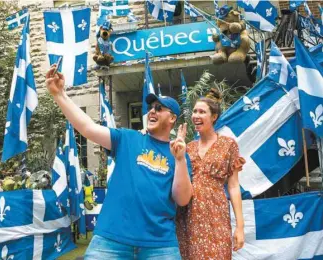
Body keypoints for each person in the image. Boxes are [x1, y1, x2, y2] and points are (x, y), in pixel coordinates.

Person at [45, 65, 193, 259]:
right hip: (111, 239)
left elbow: (182, 199)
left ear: (172, 118)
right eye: (150, 108)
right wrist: (60, 95)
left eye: (159, 108)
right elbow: (88, 128)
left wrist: (180, 159)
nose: (151, 112)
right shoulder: (127, 138)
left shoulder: (180, 155)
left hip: (160, 244)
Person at [176, 88, 245, 260]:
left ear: (214, 117)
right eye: (194, 111)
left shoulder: (228, 145)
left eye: (202, 112)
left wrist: (240, 227)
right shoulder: (188, 147)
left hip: (216, 214)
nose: (196, 116)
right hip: (188, 217)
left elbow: (234, 186)